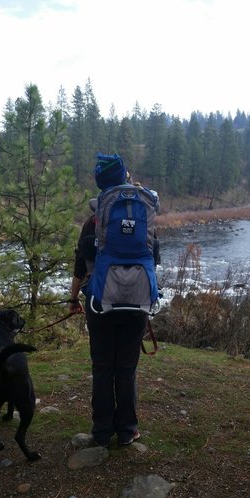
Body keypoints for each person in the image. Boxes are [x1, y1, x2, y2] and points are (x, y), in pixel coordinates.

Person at [69, 156, 159, 448]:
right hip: (136, 302)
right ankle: (127, 431)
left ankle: (101, 431)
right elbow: (153, 261)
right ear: (124, 179)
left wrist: (73, 301)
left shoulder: (92, 223)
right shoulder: (144, 216)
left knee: (103, 368)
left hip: (100, 303)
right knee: (126, 368)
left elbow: (79, 270)